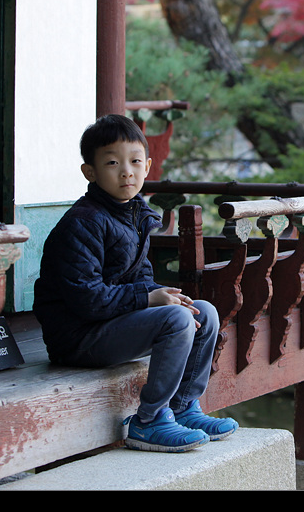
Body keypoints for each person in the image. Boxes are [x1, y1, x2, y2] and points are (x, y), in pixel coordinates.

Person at [33, 114, 237, 452]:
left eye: (135, 161)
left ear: (148, 166)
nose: (126, 171)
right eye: (112, 162)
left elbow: (140, 278)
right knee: (176, 319)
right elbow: (87, 299)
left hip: (111, 324)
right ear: (90, 172)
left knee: (203, 312)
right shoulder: (83, 223)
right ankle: (148, 420)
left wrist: (161, 294)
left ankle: (183, 407)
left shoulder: (134, 214)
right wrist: (149, 297)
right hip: (77, 338)